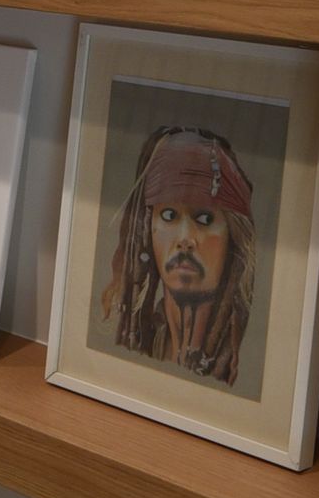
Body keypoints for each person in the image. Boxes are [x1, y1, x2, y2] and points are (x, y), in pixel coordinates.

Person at [100, 123, 255, 385]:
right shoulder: (144, 341)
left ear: (233, 237)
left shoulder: (244, 364)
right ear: (149, 229)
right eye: (169, 215)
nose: (185, 239)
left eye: (204, 219)